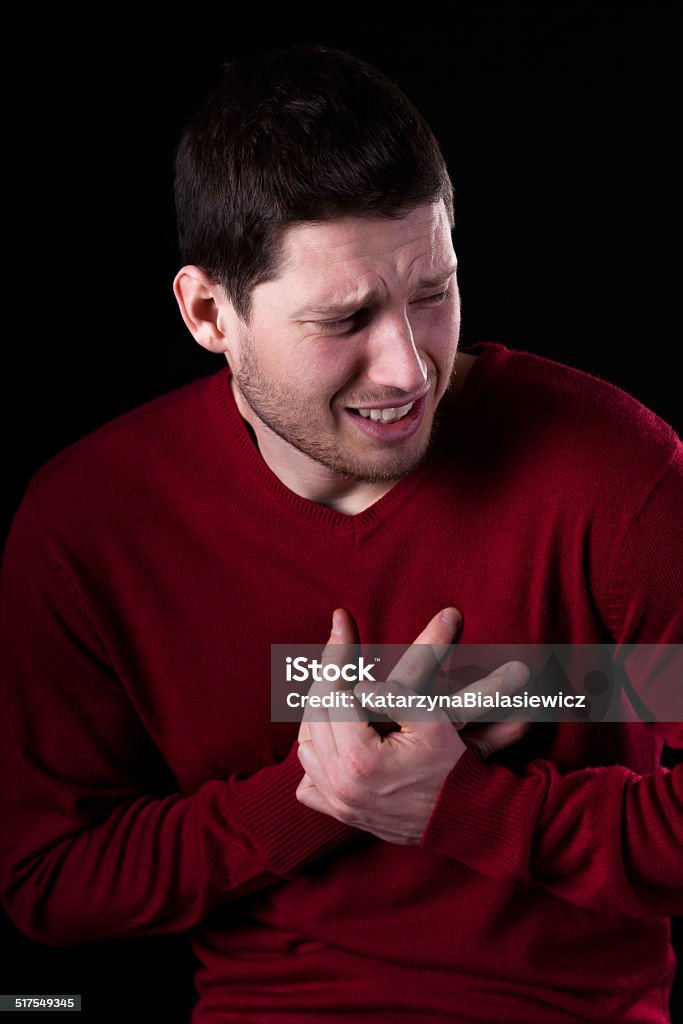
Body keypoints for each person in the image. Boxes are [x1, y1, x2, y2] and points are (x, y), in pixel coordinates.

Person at [1, 43, 681, 1024]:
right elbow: (50, 879)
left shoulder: (617, 480)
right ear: (208, 313)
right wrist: (310, 796)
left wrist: (470, 809)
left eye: (431, 294)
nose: (408, 369)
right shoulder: (90, 524)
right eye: (343, 318)